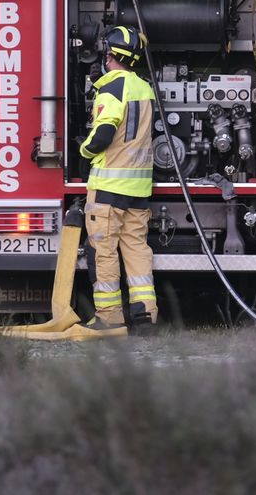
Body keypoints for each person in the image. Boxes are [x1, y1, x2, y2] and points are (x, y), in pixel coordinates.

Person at [77, 25, 158, 334]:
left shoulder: (111, 87)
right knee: (137, 251)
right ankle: (145, 316)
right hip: (138, 190)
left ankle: (109, 318)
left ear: (109, 57)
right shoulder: (144, 88)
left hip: (109, 189)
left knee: (104, 252)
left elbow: (104, 132)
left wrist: (83, 150)